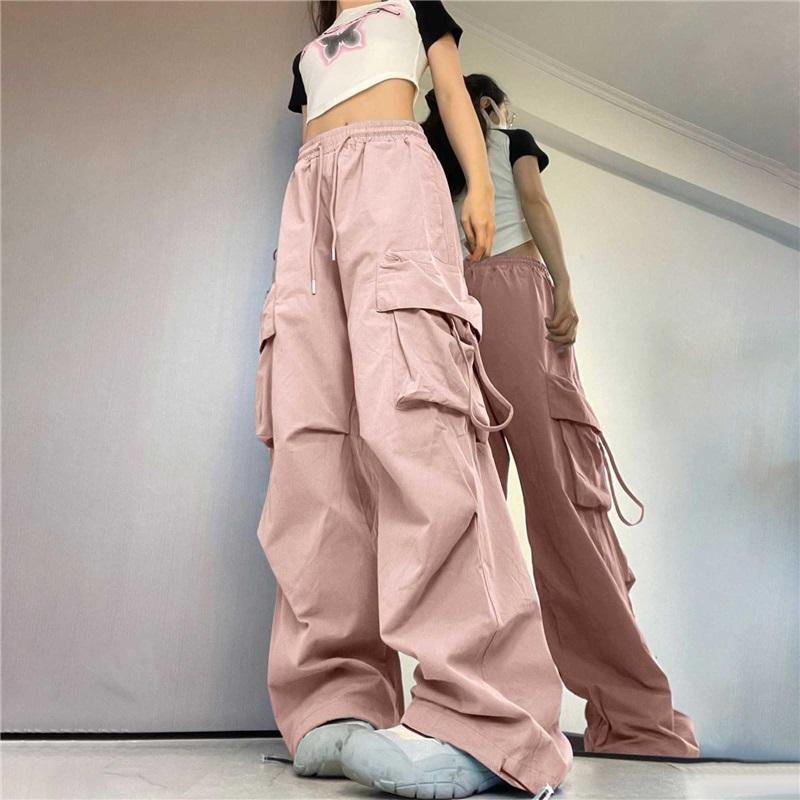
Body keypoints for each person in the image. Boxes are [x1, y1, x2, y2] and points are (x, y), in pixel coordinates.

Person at [253, 2, 575, 798]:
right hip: (309, 207)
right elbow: (311, 144)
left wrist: (479, 185)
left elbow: (452, 94)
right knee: (312, 442)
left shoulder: (412, 5)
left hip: (393, 178)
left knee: (418, 420)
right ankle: (335, 695)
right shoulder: (310, 53)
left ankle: (487, 715)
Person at [421, 73, 701, 758]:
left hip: (456, 310)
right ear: (492, 106)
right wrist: (565, 287)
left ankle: (474, 709)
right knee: (565, 506)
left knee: (474, 512)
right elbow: (536, 203)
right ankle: (633, 714)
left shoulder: (436, 161)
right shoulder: (511, 139)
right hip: (517, 295)